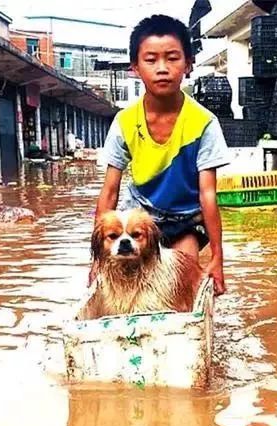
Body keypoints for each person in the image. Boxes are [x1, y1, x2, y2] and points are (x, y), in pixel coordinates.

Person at [92, 14, 229, 295]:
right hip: (138, 219)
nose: (162, 68)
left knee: (183, 276)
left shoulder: (204, 123)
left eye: (172, 58)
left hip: (184, 221)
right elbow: (109, 191)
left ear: (188, 65)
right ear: (135, 67)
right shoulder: (125, 121)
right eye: (151, 59)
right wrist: (95, 260)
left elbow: (208, 196)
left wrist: (218, 258)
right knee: (125, 285)